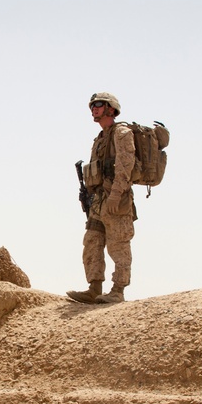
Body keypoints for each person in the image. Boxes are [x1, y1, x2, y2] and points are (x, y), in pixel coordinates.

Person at [67, 92, 137, 304]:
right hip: (98, 200)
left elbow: (126, 166)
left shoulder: (122, 133)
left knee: (118, 244)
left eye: (98, 105)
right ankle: (94, 288)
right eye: (92, 106)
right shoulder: (100, 138)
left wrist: (116, 195)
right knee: (92, 241)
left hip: (117, 198)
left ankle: (118, 290)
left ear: (111, 108)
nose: (94, 109)